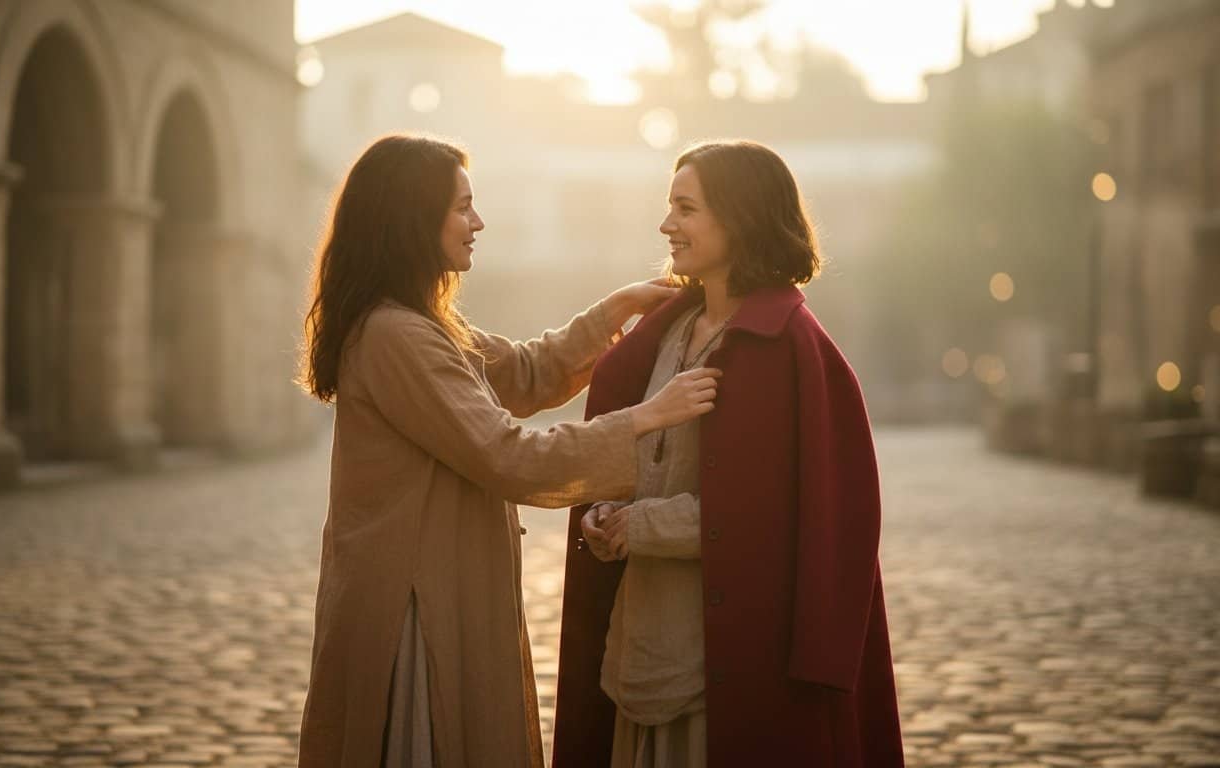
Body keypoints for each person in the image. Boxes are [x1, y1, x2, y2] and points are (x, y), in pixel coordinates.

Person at [294, 133, 721, 768]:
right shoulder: (395, 335)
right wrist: (645, 419)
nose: (477, 222)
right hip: (411, 606)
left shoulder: (424, 325)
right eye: (462, 207)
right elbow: (509, 456)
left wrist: (614, 310)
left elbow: (522, 372)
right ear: (413, 219)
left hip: (441, 583)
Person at [552, 139, 904, 767]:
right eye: (669, 207)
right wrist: (605, 514)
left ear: (739, 217)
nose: (667, 225)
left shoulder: (788, 348)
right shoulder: (664, 335)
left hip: (725, 667)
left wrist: (640, 526)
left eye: (686, 208)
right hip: (636, 650)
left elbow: (770, 518)